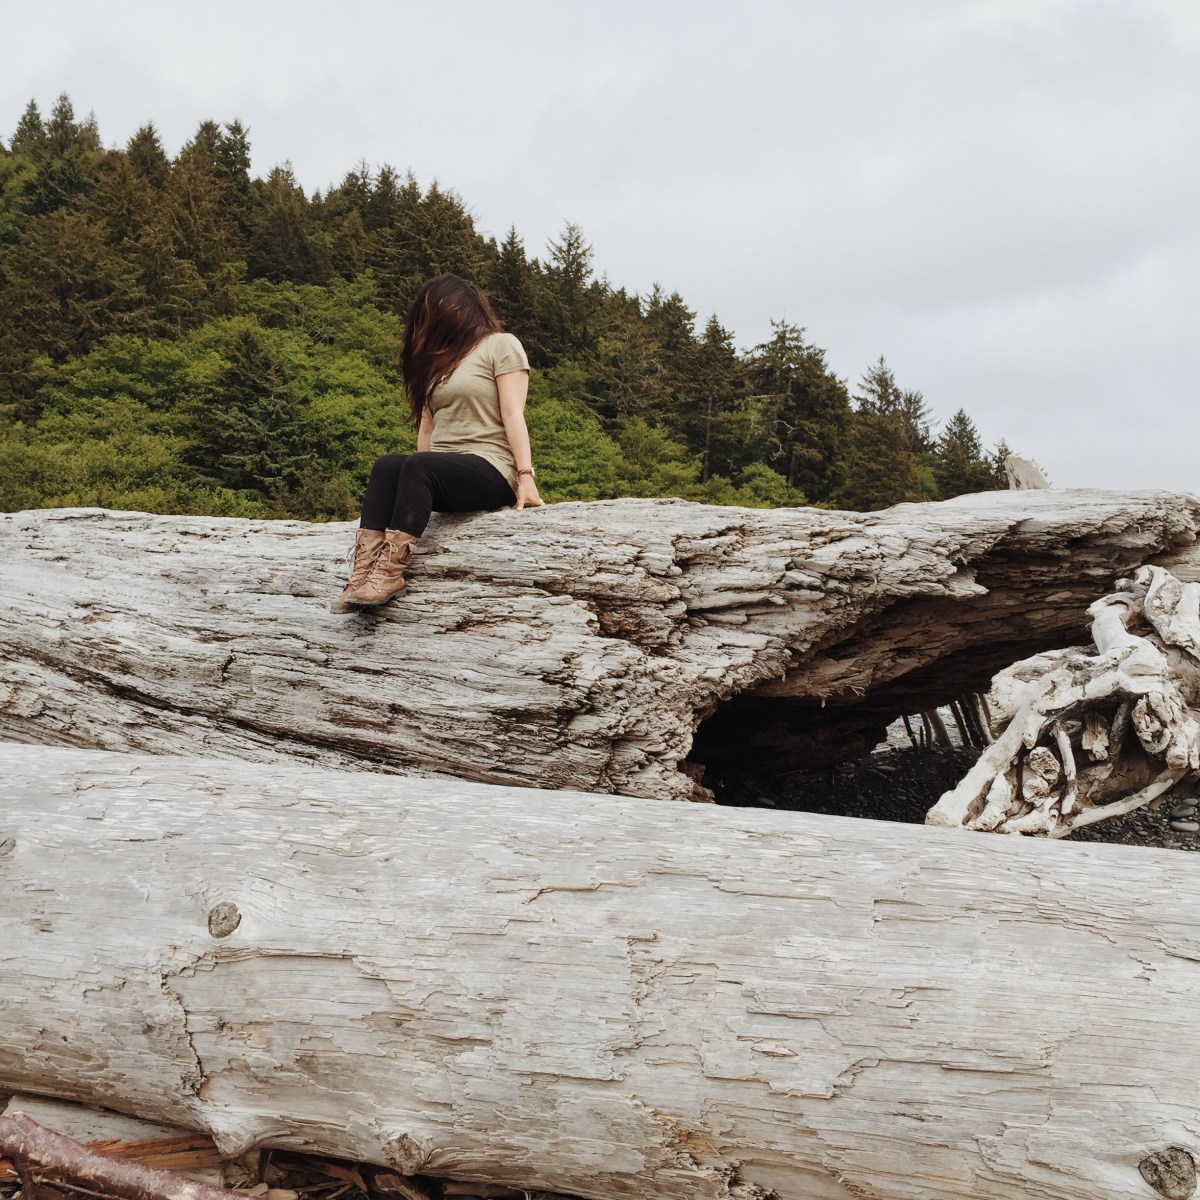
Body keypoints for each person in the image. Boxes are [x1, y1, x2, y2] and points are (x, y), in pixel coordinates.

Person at [331, 274, 543, 612]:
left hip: (491, 470)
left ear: (460, 310)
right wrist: (411, 490)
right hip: (443, 476)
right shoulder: (439, 363)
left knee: (417, 465)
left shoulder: (501, 345)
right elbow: (427, 429)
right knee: (388, 465)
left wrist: (526, 475)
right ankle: (363, 574)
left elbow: (513, 413)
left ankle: (390, 575)